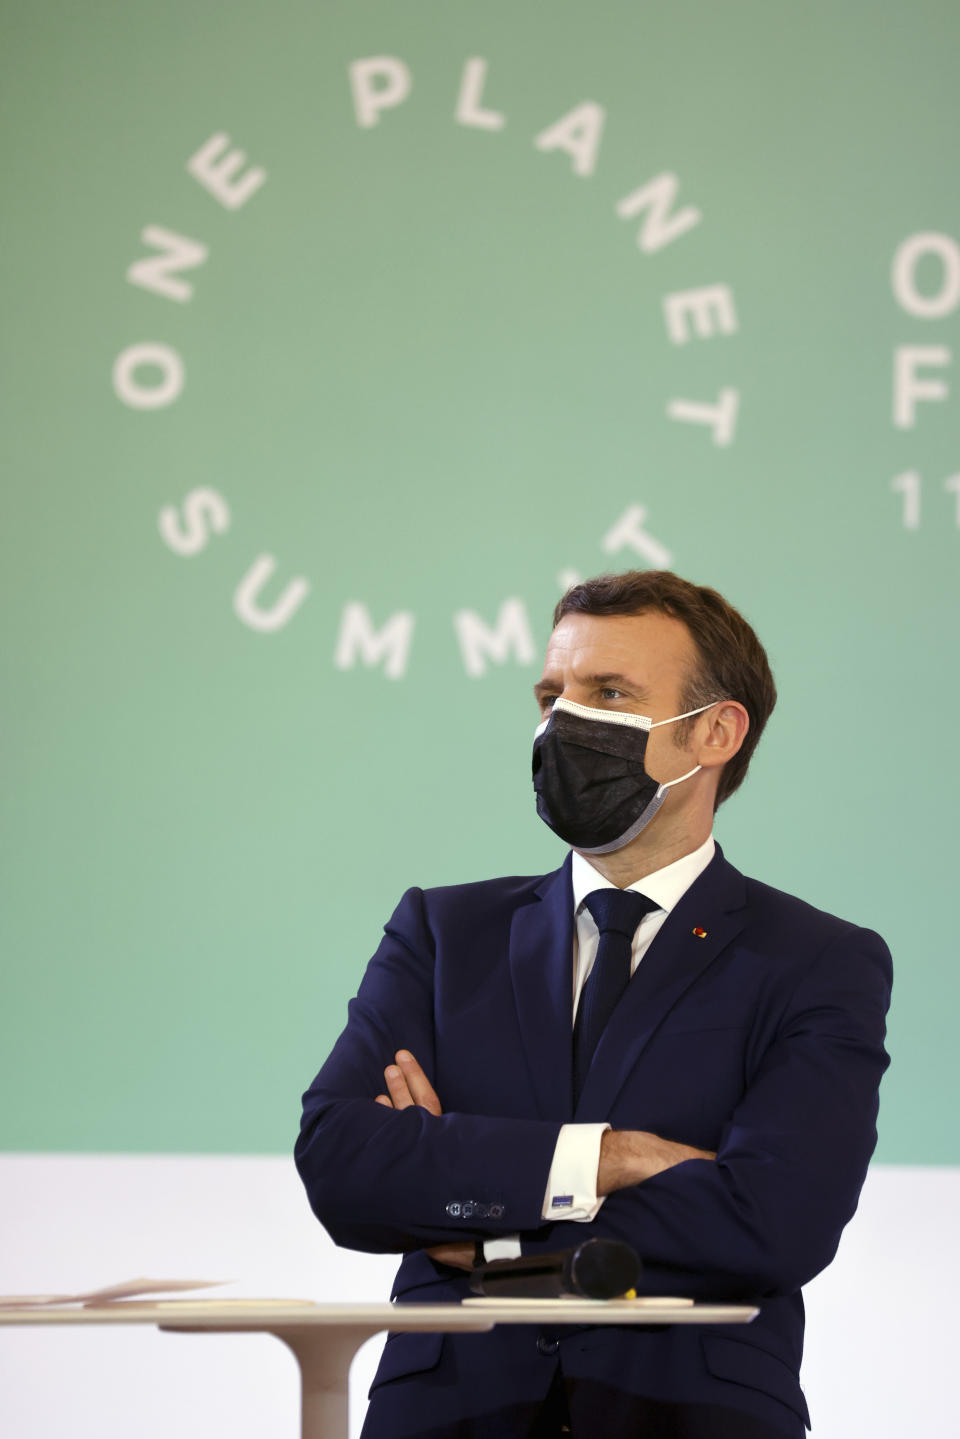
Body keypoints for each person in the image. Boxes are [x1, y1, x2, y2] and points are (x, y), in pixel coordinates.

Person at [295, 570, 892, 1439]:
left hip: (689, 1413)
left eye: (608, 692)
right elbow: (344, 1165)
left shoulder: (815, 960)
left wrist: (487, 1232)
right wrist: (610, 1160)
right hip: (449, 1412)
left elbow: (777, 1219)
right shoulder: (442, 930)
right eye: (551, 693)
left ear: (716, 731)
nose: (562, 721)